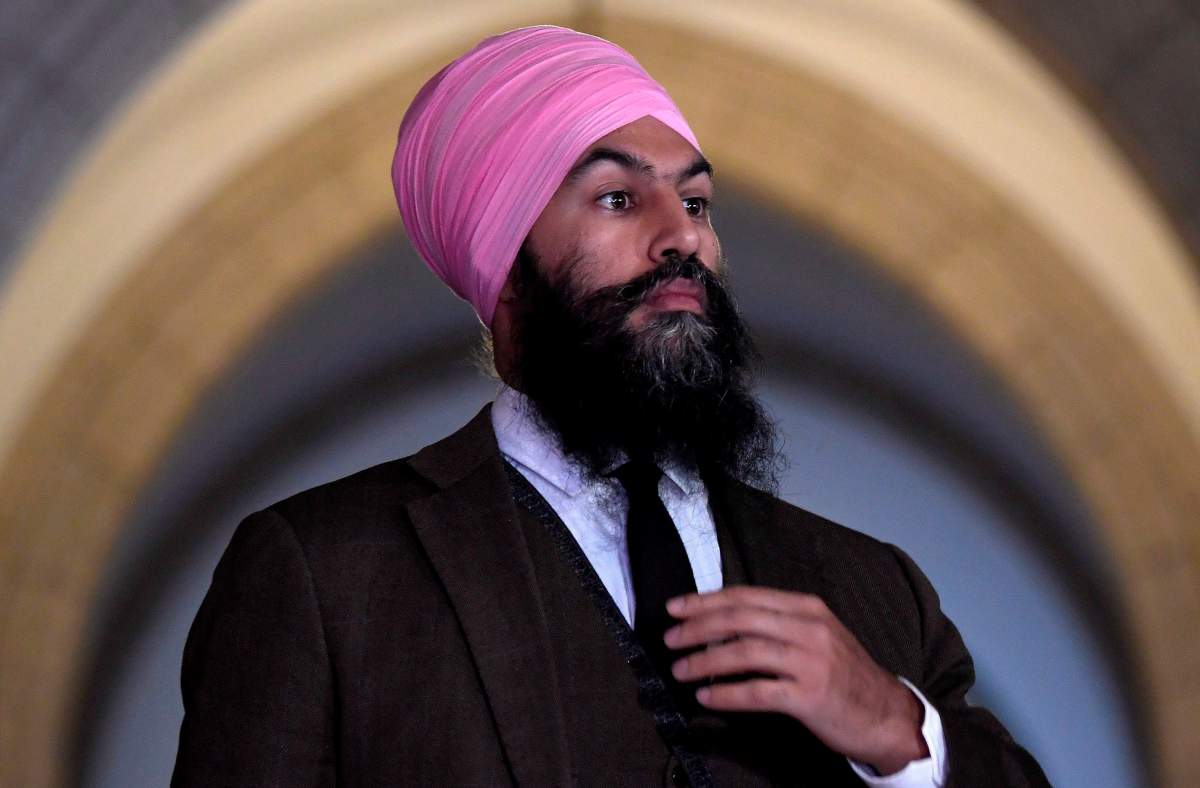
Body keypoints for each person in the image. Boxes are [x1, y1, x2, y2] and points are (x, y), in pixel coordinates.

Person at [172, 25, 1049, 787]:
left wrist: (900, 733)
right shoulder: (326, 574)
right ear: (508, 272)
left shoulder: (873, 588)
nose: (683, 237)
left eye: (697, 201)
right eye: (618, 198)